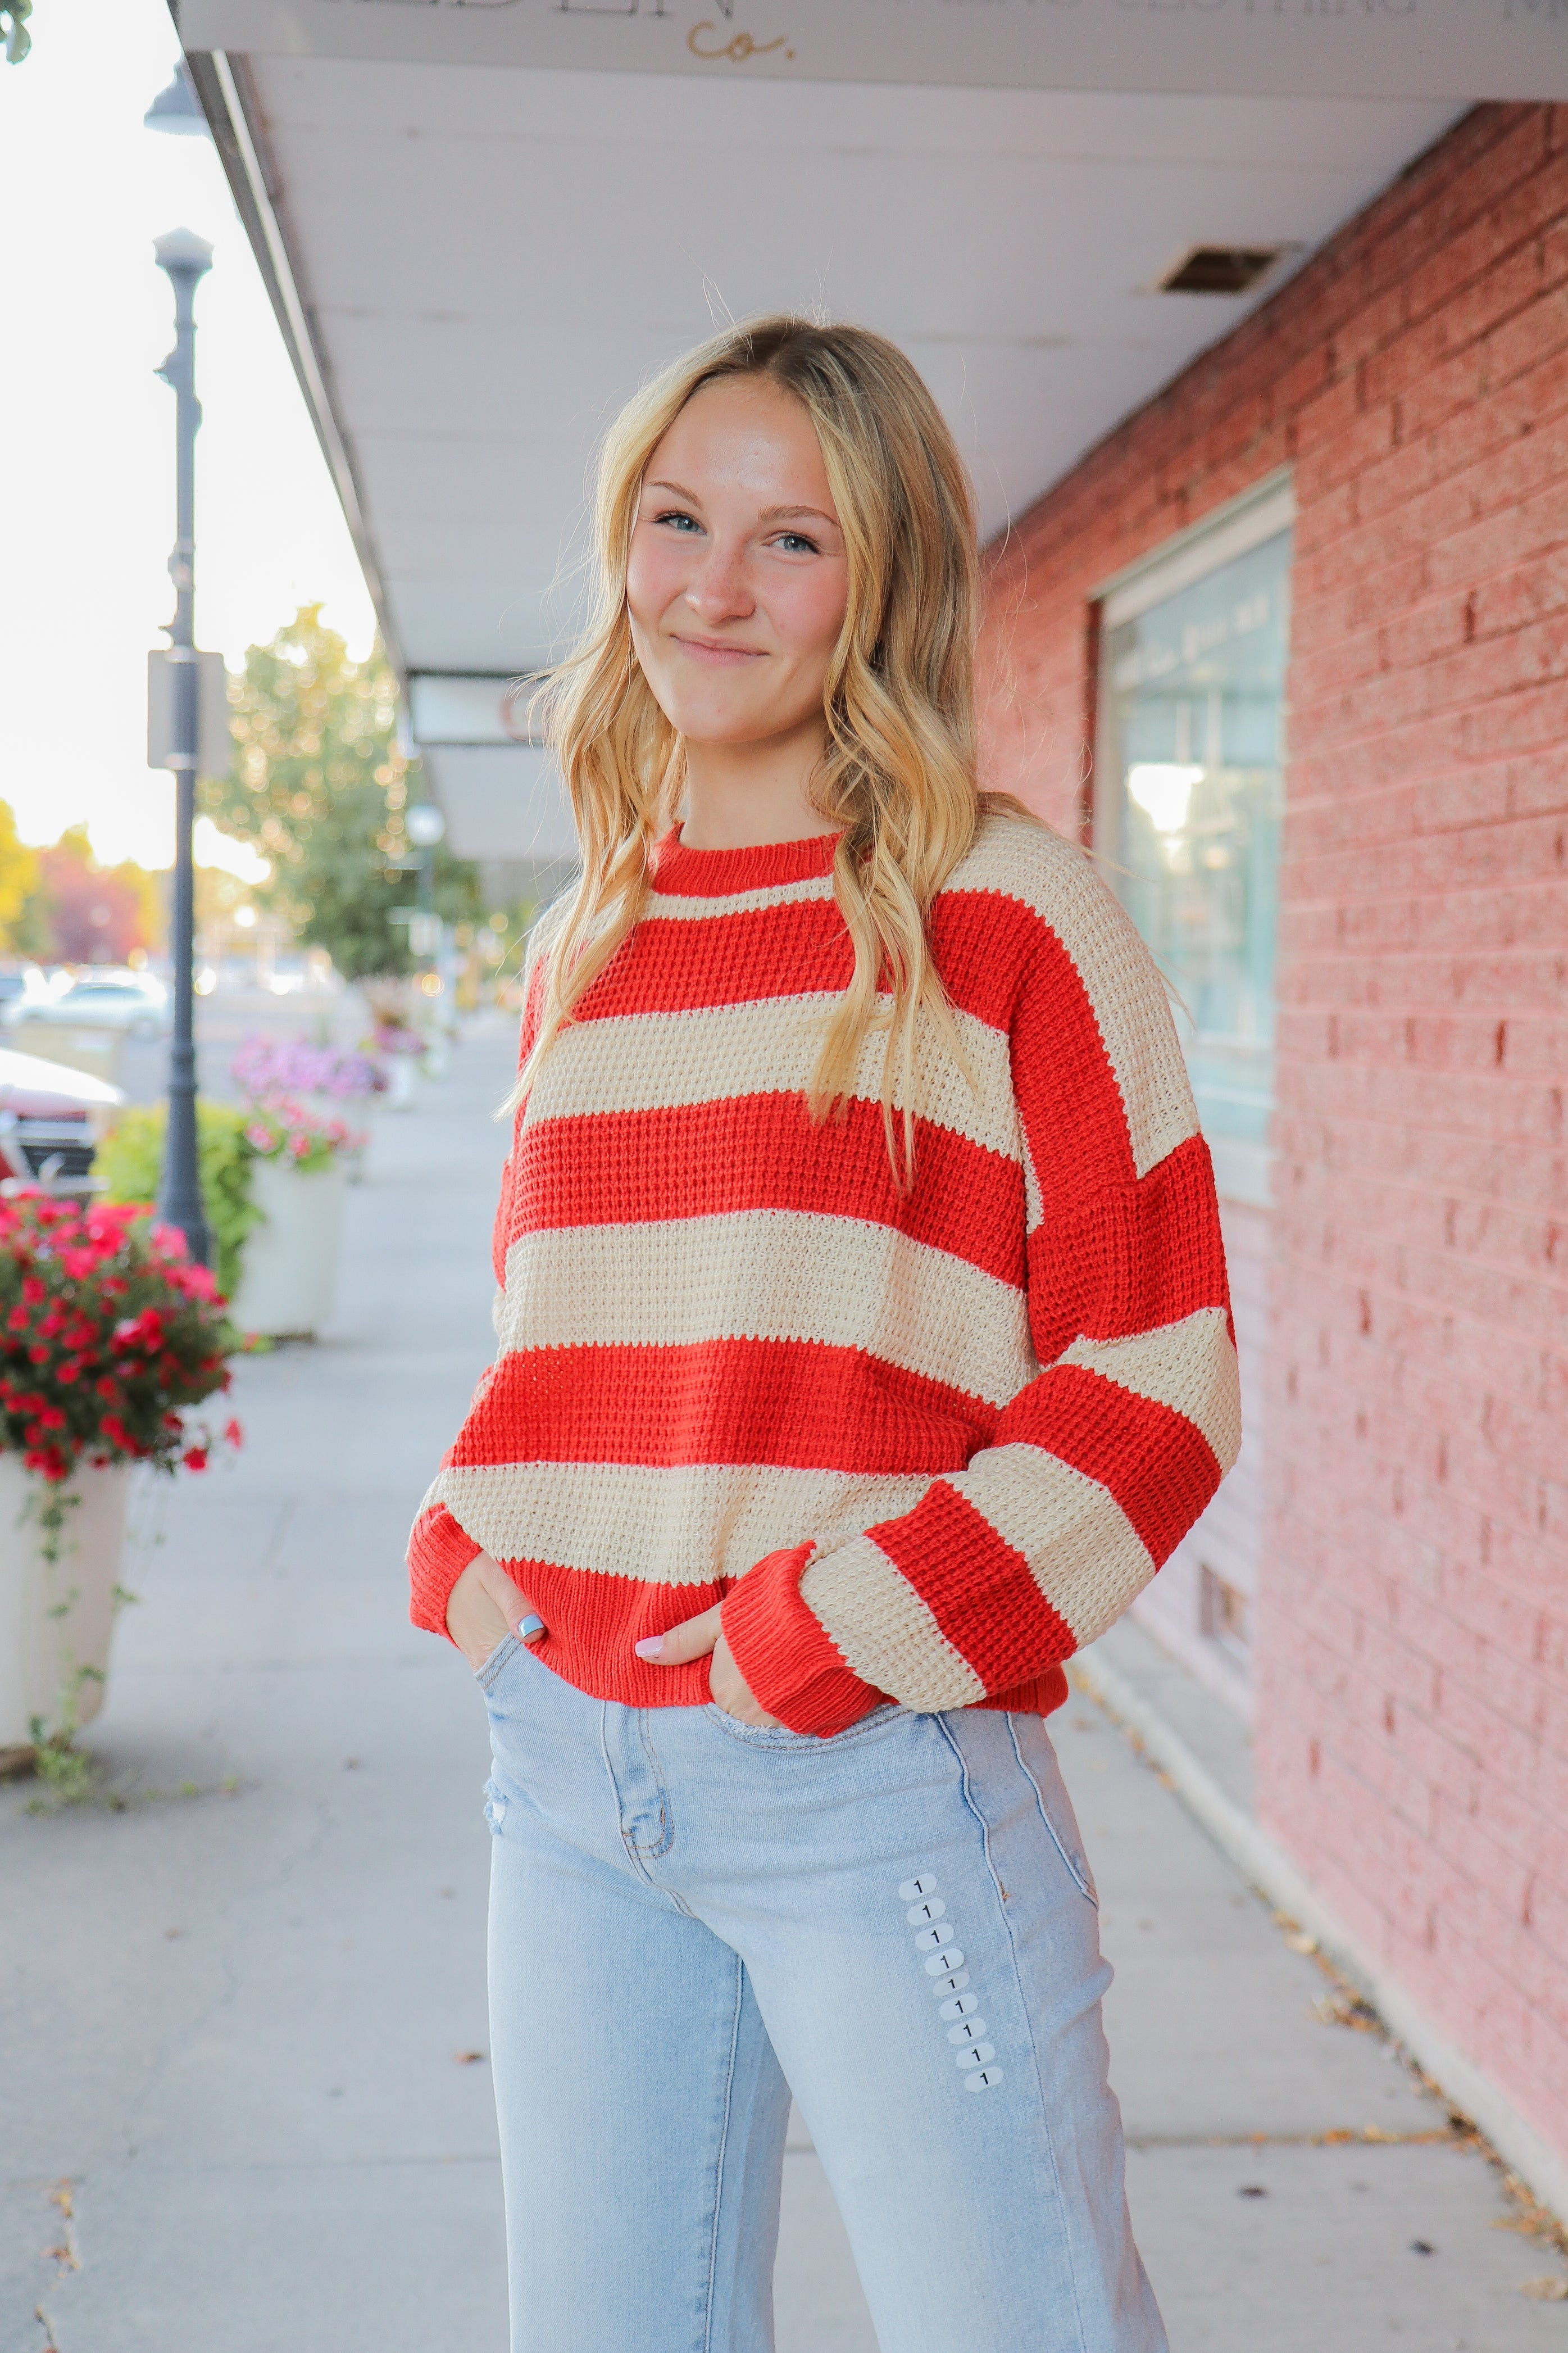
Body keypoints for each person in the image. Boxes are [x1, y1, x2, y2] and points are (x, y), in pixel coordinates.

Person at [408, 316, 1239, 2353]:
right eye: (679, 518)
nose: (713, 584)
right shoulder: (581, 934)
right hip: (568, 1776)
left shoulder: (1008, 911)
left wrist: (836, 1627)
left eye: (792, 540)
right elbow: (567, 1316)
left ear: (886, 583)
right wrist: (468, 1536)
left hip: (873, 1771)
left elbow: (1158, 1380)